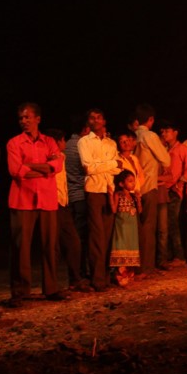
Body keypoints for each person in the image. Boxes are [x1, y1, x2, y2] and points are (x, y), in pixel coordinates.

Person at [6, 102, 70, 307]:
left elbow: (57, 166)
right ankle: (20, 290)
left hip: (47, 199)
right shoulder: (14, 143)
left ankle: (51, 288)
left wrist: (31, 167)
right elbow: (16, 171)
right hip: (22, 199)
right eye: (21, 118)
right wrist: (45, 169)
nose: (23, 121)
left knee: (50, 245)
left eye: (27, 117)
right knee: (20, 247)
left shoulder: (49, 142)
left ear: (37, 119)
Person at [77, 109, 123, 292]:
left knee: (108, 234)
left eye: (98, 117)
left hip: (109, 190)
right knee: (96, 236)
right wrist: (111, 165)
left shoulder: (111, 143)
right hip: (94, 191)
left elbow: (119, 169)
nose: (95, 120)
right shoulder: (84, 142)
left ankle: (104, 275)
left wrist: (105, 167)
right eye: (91, 118)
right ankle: (97, 279)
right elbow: (88, 167)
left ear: (104, 120)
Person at [44, 128, 90, 293]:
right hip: (52, 205)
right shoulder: (49, 159)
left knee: (73, 243)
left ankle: (75, 279)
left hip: (63, 204)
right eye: (63, 141)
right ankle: (52, 285)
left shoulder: (62, 158)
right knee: (53, 246)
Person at [133, 104, 171, 275]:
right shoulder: (149, 135)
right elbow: (166, 159)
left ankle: (138, 264)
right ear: (150, 120)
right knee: (149, 227)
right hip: (148, 185)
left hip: (134, 186)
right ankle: (146, 266)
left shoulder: (134, 135)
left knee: (139, 226)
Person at [159, 121, 187, 266]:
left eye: (167, 131)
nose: (164, 134)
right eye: (163, 132)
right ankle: (169, 255)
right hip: (164, 188)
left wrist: (180, 183)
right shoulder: (164, 149)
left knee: (172, 223)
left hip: (174, 190)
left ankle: (179, 256)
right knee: (165, 225)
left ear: (175, 132)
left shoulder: (182, 149)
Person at [65, 115, 91, 282]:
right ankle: (80, 272)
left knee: (74, 235)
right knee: (82, 237)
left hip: (70, 195)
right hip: (81, 194)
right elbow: (87, 169)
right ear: (85, 129)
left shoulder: (67, 144)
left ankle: (77, 272)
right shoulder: (81, 145)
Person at [108, 170, 141, 286]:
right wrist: (110, 196)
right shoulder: (118, 195)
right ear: (121, 184)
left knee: (131, 247)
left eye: (134, 181)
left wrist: (138, 198)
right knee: (121, 245)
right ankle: (120, 276)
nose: (133, 184)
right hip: (121, 226)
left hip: (132, 227)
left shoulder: (132, 196)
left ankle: (129, 275)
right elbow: (113, 210)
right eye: (130, 181)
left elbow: (140, 210)